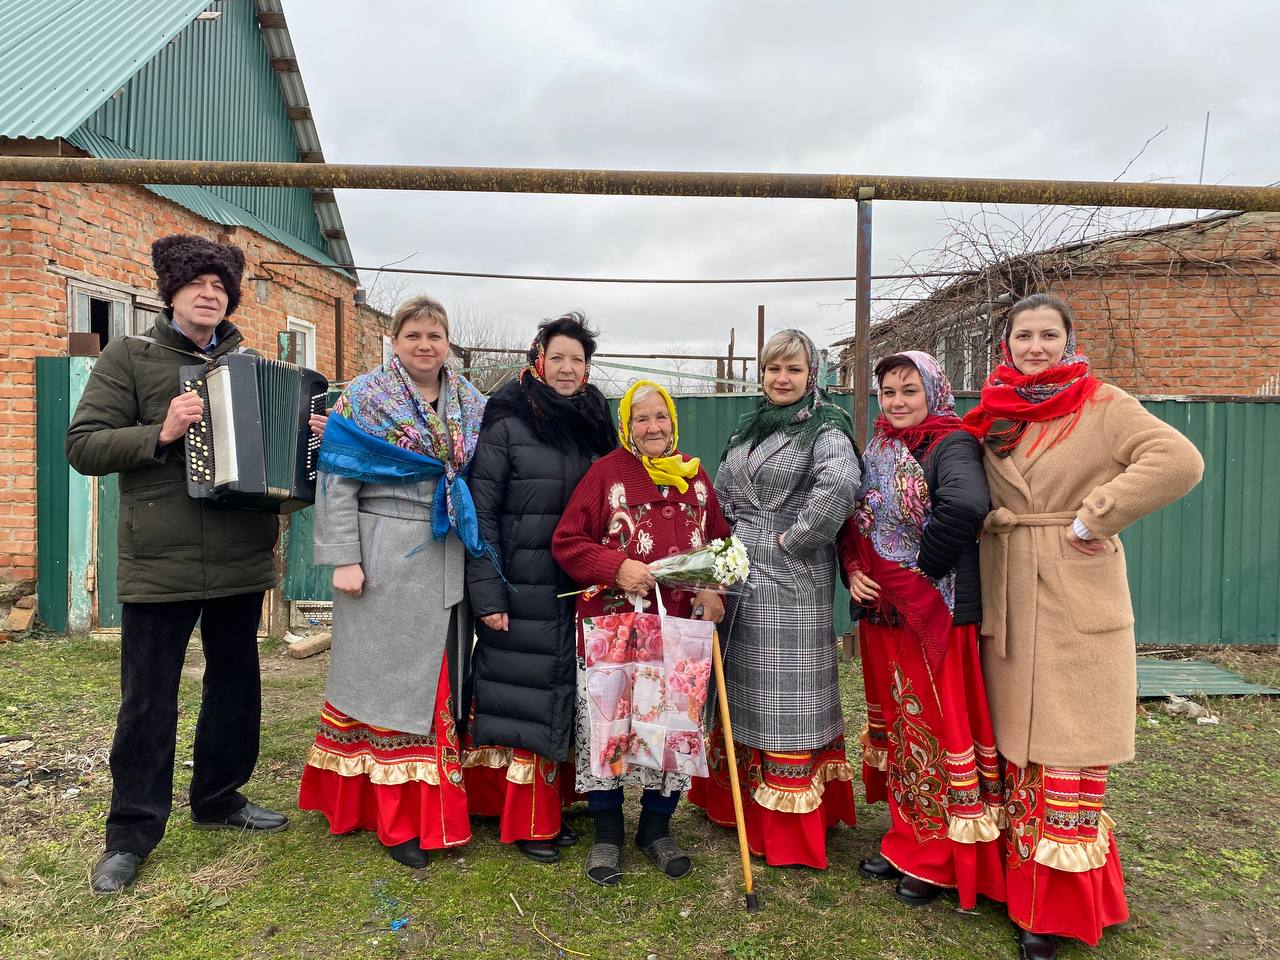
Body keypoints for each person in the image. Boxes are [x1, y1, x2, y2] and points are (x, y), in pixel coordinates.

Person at [66, 234, 322, 894]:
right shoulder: (131, 356)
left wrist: (305, 444)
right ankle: (130, 834)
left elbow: (282, 469)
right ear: (172, 292)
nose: (210, 293)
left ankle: (220, 798)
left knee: (236, 688)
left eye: (220, 285)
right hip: (159, 560)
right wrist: (161, 432)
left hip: (239, 558)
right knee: (148, 701)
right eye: (196, 283)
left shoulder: (251, 364)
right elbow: (83, 445)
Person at [964, 293, 1204, 959]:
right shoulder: (995, 413)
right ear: (1005, 345)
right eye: (1022, 335)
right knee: (1019, 753)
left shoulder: (1099, 403)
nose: (1034, 346)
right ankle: (1020, 888)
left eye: (1047, 335)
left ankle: (1057, 908)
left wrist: (1095, 516)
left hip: (1073, 592)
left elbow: (1178, 460)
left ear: (1068, 340)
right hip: (1007, 591)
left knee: (1065, 753)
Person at [298, 295, 491, 869]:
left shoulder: (472, 402)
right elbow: (335, 479)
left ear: (448, 342)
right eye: (413, 335)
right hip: (381, 554)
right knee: (386, 688)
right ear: (395, 340)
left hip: (447, 553)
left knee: (438, 684)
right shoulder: (362, 398)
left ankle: (435, 807)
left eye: (435, 335)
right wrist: (343, 559)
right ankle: (391, 816)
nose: (425, 345)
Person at [837, 351, 1005, 910]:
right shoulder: (881, 447)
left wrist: (920, 573)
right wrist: (856, 570)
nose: (898, 402)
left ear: (933, 391)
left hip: (934, 611)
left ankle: (941, 858)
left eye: (909, 390)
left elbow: (964, 506)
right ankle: (907, 839)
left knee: (935, 731)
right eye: (888, 392)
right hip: (887, 615)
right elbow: (857, 518)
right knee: (905, 734)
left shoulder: (950, 444)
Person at [689, 329, 859, 870]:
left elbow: (840, 488)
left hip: (792, 580)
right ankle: (735, 803)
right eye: (772, 370)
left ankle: (788, 824)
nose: (781, 380)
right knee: (744, 692)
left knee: (788, 696)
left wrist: (790, 539)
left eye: (793, 370)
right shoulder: (748, 427)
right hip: (739, 575)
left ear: (813, 374)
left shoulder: (825, 426)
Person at [552, 380, 730, 886]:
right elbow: (567, 542)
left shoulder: (695, 478)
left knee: (675, 728)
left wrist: (714, 590)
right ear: (628, 426)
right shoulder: (606, 474)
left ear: (674, 422)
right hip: (614, 627)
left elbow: (719, 542)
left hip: (679, 628)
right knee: (611, 727)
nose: (654, 427)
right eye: (642, 419)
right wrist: (615, 567)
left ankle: (656, 829)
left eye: (662, 418)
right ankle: (607, 834)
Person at [464, 312, 617, 864]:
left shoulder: (596, 425)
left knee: (564, 698)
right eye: (558, 358)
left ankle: (553, 810)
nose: (568, 369)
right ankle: (526, 821)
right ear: (538, 359)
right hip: (521, 589)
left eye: (577, 360)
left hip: (581, 591)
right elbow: (479, 513)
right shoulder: (507, 423)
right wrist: (489, 593)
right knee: (526, 701)